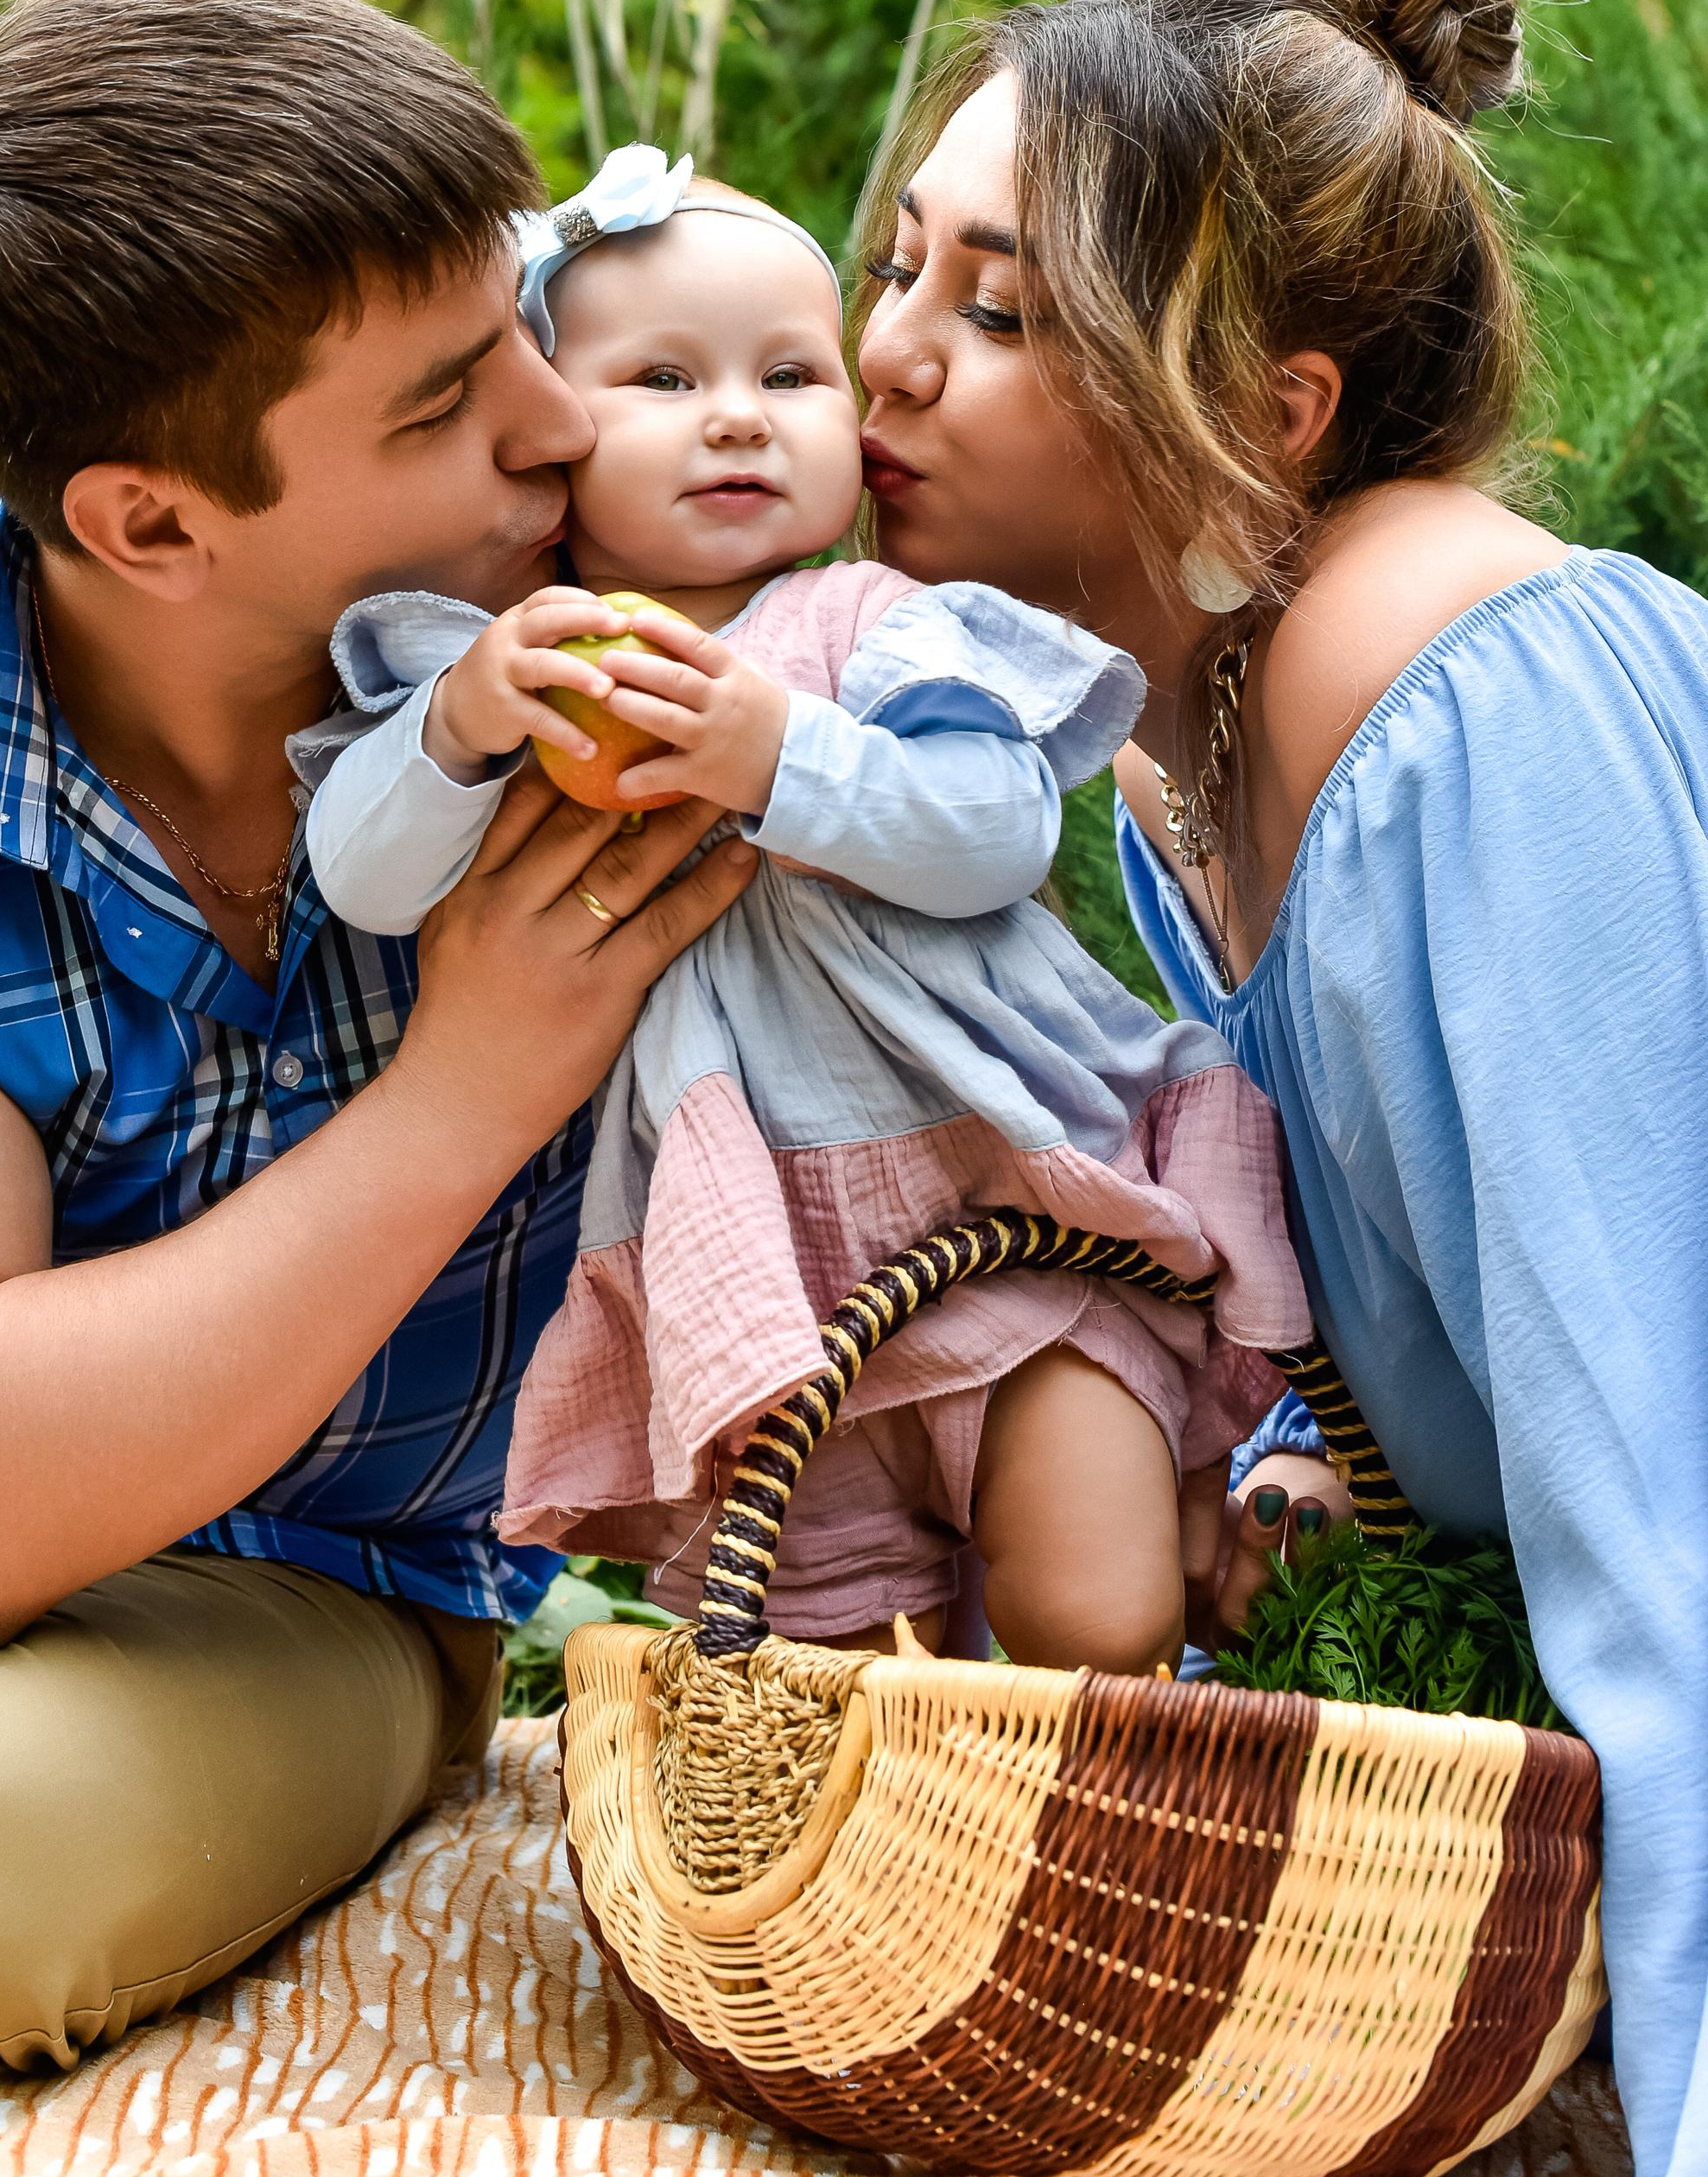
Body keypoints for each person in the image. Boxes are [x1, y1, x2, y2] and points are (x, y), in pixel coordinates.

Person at [0, 0, 752, 2071]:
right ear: (149, 521)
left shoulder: (627, 618)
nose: (561, 421)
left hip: (324, 1580)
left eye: (518, 313)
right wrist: (473, 1088)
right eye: (440, 408)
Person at [851, 0, 1700, 2177]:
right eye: (904, 262)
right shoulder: (1173, 758)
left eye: (998, 313)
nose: (885, 351)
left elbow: (1678, 1482)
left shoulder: (1457, 686)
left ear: (1263, 408)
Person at [302, 144, 1305, 1671]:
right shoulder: (518, 666)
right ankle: (916, 1905)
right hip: (751, 1275)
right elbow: (361, 879)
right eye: (660, 379)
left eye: (791, 372)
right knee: (828, 1691)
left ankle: (1133, 1840)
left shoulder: (871, 628)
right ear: (548, 428)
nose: (736, 416)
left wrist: (785, 755)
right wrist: (457, 726)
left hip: (1002, 1196)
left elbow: (1001, 829)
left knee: (1091, 1613)